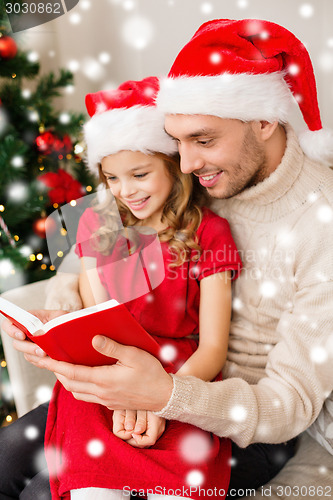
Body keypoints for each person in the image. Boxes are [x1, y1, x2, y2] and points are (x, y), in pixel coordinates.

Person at [1, 17, 333, 499]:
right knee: (8, 452)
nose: (186, 164)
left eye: (202, 140)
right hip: (147, 370)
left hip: (238, 418)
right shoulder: (202, 175)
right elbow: (100, 227)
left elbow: (287, 405)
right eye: (176, 143)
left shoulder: (320, 226)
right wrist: (68, 307)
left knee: (46, 490)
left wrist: (162, 398)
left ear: (264, 121)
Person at [3, 76, 243, 500]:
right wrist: (120, 393)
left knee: (175, 485)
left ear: (173, 164)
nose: (125, 190)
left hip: (180, 377)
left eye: (139, 173)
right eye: (112, 178)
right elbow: (97, 327)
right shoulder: (97, 227)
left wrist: (162, 400)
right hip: (105, 379)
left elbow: (211, 350)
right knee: (93, 488)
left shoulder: (211, 233)